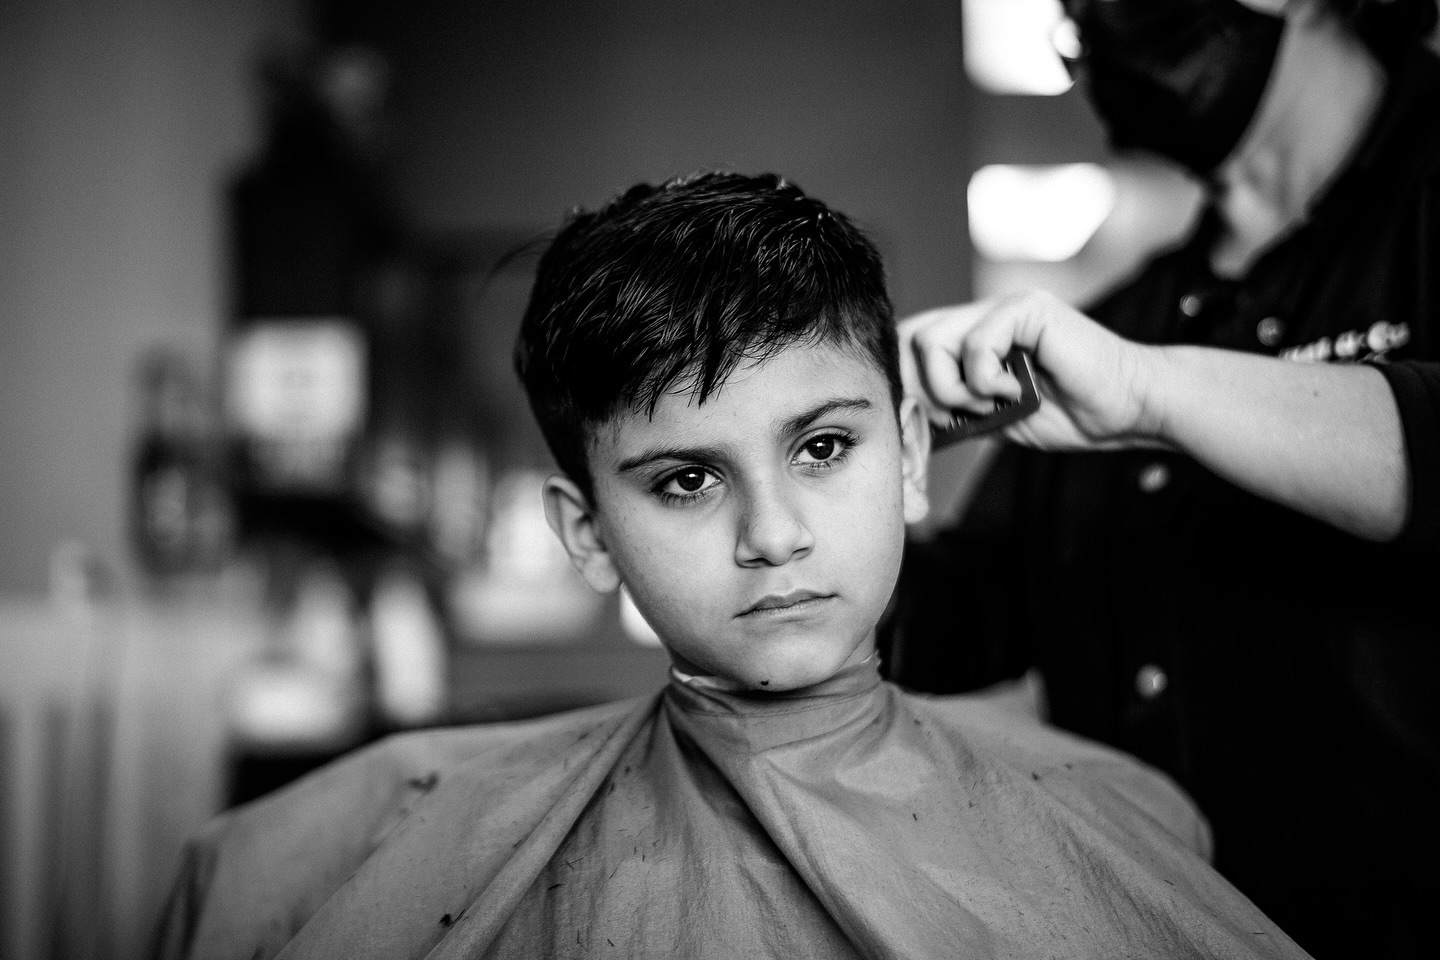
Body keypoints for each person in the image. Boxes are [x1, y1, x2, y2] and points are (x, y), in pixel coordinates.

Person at [152, 173, 1314, 960]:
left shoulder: (1129, 822)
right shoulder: (337, 844)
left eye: (822, 448)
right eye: (686, 482)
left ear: (909, 455)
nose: (774, 533)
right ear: (588, 531)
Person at [886, 2, 1440, 958]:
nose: (1099, 34)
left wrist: (1150, 392)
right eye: (1073, 19)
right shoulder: (1128, 318)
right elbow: (964, 611)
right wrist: (808, 483)